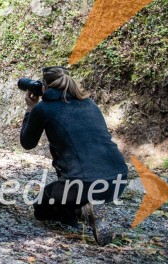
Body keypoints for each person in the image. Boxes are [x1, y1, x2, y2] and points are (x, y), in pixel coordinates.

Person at [21, 67, 128, 246]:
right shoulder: (90, 104)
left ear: (44, 87)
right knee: (74, 189)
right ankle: (87, 205)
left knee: (41, 208)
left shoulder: (43, 108)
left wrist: (30, 109)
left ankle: (82, 210)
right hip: (118, 181)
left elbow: (27, 143)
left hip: (83, 185)